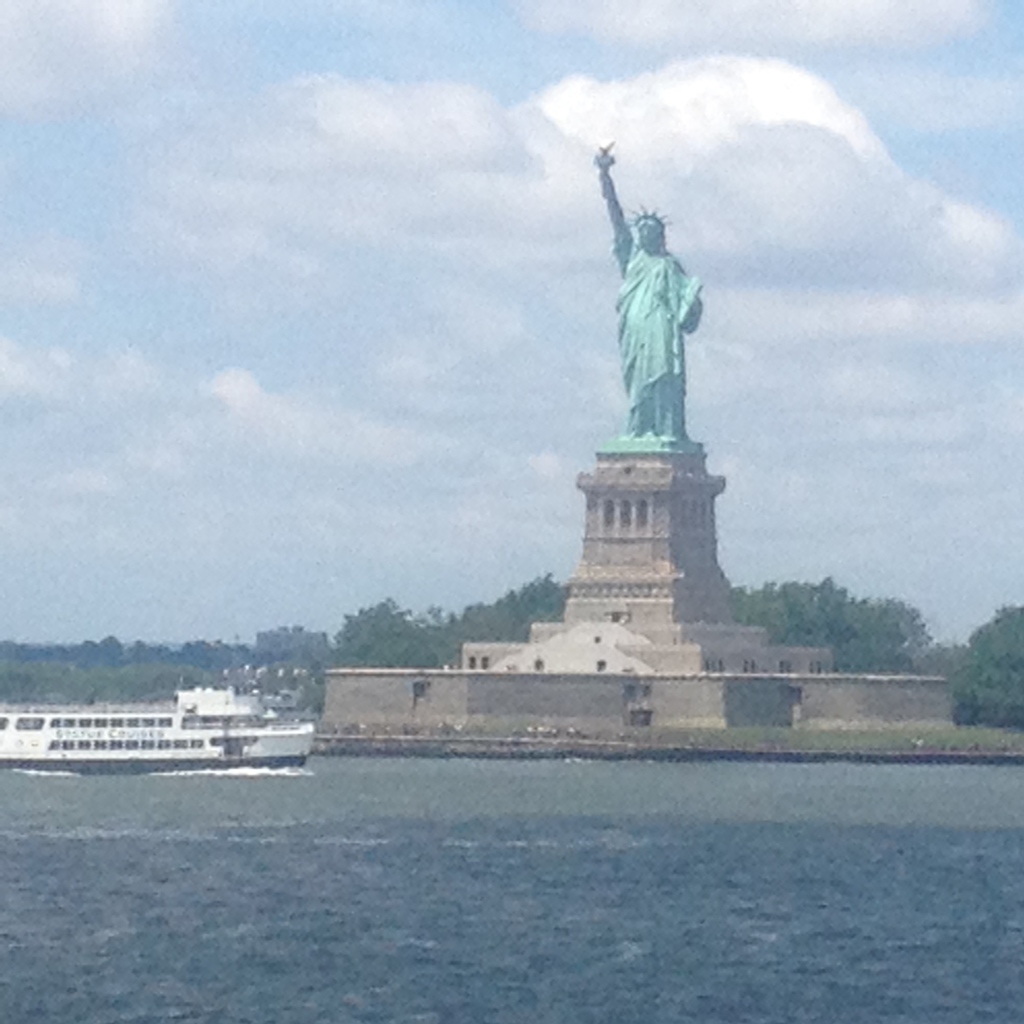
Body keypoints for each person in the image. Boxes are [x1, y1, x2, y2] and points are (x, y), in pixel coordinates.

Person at [595, 145, 703, 445]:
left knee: (666, 378)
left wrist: (692, 302)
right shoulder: (631, 258)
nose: (644, 234)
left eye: (651, 230)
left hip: (663, 330)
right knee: (641, 382)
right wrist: (605, 177)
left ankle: (668, 430)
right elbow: (615, 216)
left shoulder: (671, 266)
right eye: (641, 230)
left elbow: (689, 314)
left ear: (660, 235)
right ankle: (639, 429)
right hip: (636, 329)